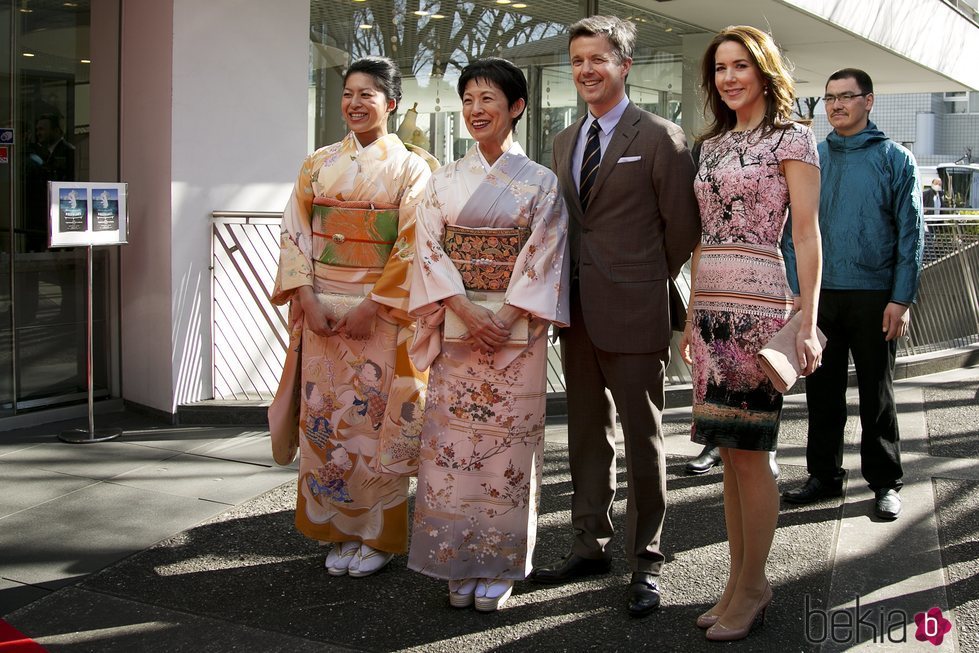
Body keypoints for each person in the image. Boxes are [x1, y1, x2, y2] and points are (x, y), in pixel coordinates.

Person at [528, 15, 701, 618]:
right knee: (584, 436)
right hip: (575, 313)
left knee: (643, 440)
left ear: (624, 65)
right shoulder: (564, 139)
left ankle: (646, 561)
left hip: (635, 310)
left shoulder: (660, 136)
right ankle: (589, 545)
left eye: (597, 59)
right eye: (577, 61)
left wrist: (640, 279)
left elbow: (681, 229)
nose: (586, 70)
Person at [406, 57, 569, 612]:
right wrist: (463, 308)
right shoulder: (444, 180)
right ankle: (454, 557)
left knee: (509, 448)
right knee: (451, 447)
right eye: (469, 100)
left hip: (514, 332)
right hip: (458, 327)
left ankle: (499, 562)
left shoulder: (541, 182)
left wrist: (504, 316)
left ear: (516, 107)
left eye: (488, 99)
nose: (476, 110)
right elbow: (428, 249)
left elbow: (545, 253)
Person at [679, 25, 823, 641]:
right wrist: (691, 313)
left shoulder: (794, 137)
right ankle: (737, 582)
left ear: (764, 71)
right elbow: (700, 235)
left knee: (752, 452)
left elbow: (807, 235)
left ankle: (755, 586)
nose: (729, 77)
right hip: (711, 304)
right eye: (720, 68)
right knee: (728, 453)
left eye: (740, 65)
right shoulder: (709, 146)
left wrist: (808, 321)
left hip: (760, 305)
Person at [271, 56, 433, 579]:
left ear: (391, 103)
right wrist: (305, 296)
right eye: (348, 93)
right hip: (321, 313)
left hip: (380, 316)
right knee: (326, 422)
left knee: (375, 426)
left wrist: (374, 305)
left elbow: (414, 241)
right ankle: (337, 528)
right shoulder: (317, 164)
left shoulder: (413, 168)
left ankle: (377, 535)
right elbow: (295, 231)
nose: (355, 103)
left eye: (367, 94)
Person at [781, 68, 924, 521]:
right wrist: (798, 291)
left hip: (875, 296)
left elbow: (911, 234)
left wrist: (901, 299)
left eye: (846, 96)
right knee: (821, 395)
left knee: (877, 395)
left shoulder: (895, 158)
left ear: (869, 101)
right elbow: (790, 232)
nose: (836, 105)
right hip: (820, 296)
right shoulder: (812, 156)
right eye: (829, 98)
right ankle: (823, 475)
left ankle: (884, 482)